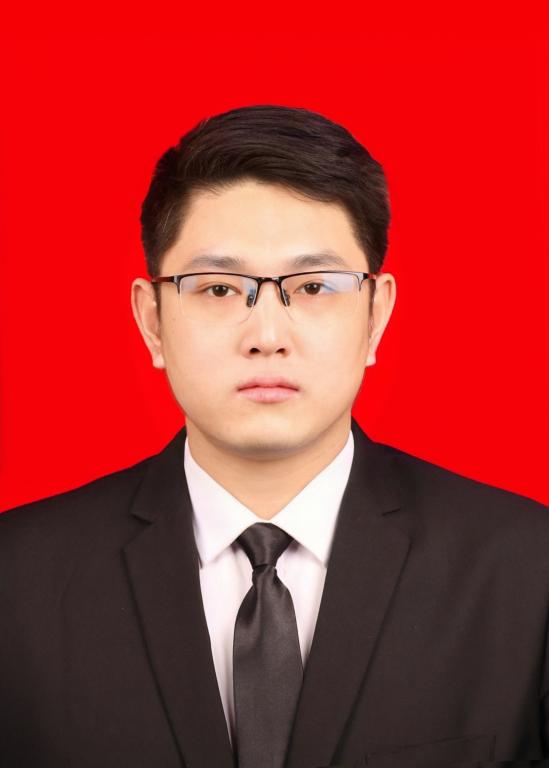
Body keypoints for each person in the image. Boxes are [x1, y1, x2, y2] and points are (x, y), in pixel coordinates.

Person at [0, 104, 547, 768]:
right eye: (218, 289)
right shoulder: (17, 580)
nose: (266, 336)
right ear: (152, 321)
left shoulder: (527, 570)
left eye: (313, 286)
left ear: (375, 316)